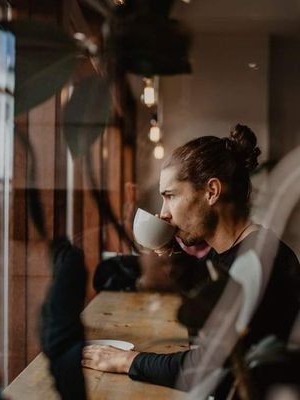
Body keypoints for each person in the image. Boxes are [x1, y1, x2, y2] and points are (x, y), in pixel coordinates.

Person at [81, 124, 300, 396]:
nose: (163, 214)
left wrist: (128, 361)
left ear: (211, 191)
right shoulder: (236, 253)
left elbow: (209, 366)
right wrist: (169, 257)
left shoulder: (262, 262)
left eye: (170, 196)